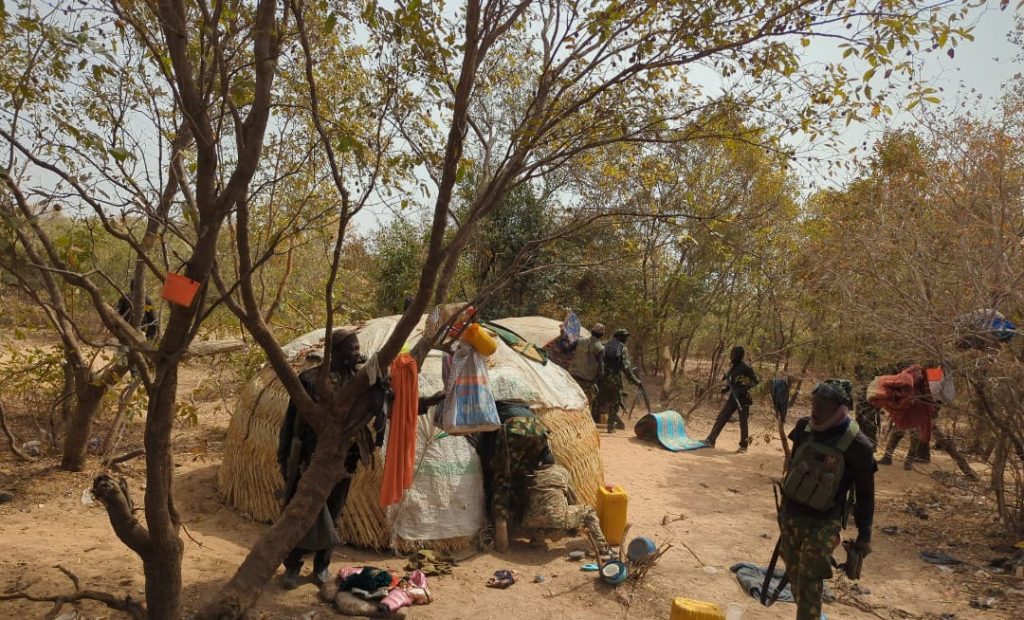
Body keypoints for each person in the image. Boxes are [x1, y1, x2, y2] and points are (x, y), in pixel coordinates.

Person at [277, 329, 387, 589]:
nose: (357, 353)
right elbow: (291, 422)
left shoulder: (362, 381)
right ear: (334, 352)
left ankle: (322, 566)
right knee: (301, 512)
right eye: (352, 348)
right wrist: (285, 457)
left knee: (335, 512)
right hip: (311, 460)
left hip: (346, 460)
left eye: (358, 348)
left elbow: (381, 404)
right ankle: (292, 566)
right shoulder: (311, 380)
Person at [779, 380, 875, 620]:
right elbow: (792, 466)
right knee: (795, 575)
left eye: (823, 406)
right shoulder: (804, 427)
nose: (815, 410)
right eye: (814, 404)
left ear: (839, 408)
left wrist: (864, 536)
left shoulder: (857, 445)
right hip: (792, 514)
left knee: (809, 580)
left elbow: (865, 494)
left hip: (823, 523)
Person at [477, 400, 550, 552]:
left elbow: (486, 436)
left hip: (515, 428)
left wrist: (489, 464)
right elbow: (547, 458)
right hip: (538, 429)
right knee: (527, 478)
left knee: (502, 479)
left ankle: (501, 538)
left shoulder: (493, 406)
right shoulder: (524, 407)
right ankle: (537, 532)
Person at [521, 451, 609, 552]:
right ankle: (602, 546)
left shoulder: (533, 475)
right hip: (558, 526)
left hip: (532, 524)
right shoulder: (561, 472)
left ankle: (537, 539)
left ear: (540, 464)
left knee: (540, 511)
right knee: (589, 511)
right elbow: (572, 497)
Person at [703, 345, 759, 452]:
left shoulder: (746, 367)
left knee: (743, 422)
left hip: (743, 399)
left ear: (739, 355)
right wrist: (726, 388)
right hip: (733, 398)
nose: (731, 355)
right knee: (722, 417)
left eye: (734, 353)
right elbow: (732, 381)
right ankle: (711, 440)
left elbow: (755, 383)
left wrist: (742, 390)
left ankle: (743, 446)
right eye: (731, 353)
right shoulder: (733, 366)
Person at [594, 328, 642, 434]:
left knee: (599, 401)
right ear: (620, 337)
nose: (626, 339)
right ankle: (611, 427)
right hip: (615, 380)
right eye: (625, 337)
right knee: (615, 404)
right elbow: (626, 367)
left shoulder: (604, 345)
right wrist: (635, 381)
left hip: (601, 379)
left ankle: (591, 425)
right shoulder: (622, 348)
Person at [569, 323, 605, 416]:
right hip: (587, 381)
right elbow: (601, 368)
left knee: (572, 401)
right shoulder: (600, 348)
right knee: (587, 404)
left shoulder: (579, 341)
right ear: (602, 335)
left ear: (592, 331)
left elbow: (568, 349)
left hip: (574, 377)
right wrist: (600, 379)